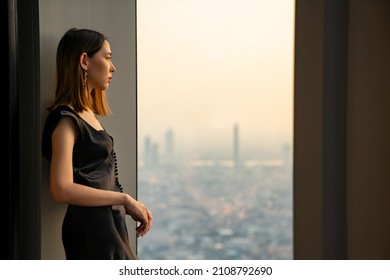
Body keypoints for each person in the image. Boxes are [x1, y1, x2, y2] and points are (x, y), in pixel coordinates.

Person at [42, 27, 152, 260]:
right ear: (84, 60)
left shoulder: (85, 115)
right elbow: (61, 189)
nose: (113, 67)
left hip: (107, 226)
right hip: (94, 229)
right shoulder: (66, 119)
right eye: (108, 57)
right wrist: (124, 199)